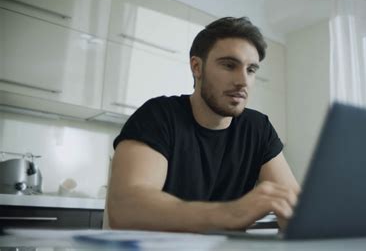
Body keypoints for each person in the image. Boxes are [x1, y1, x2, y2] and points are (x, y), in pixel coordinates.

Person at [106, 17, 300, 232]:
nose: (243, 81)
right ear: (197, 67)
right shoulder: (158, 116)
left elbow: (294, 206)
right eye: (229, 65)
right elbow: (126, 209)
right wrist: (231, 212)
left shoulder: (258, 128)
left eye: (251, 70)